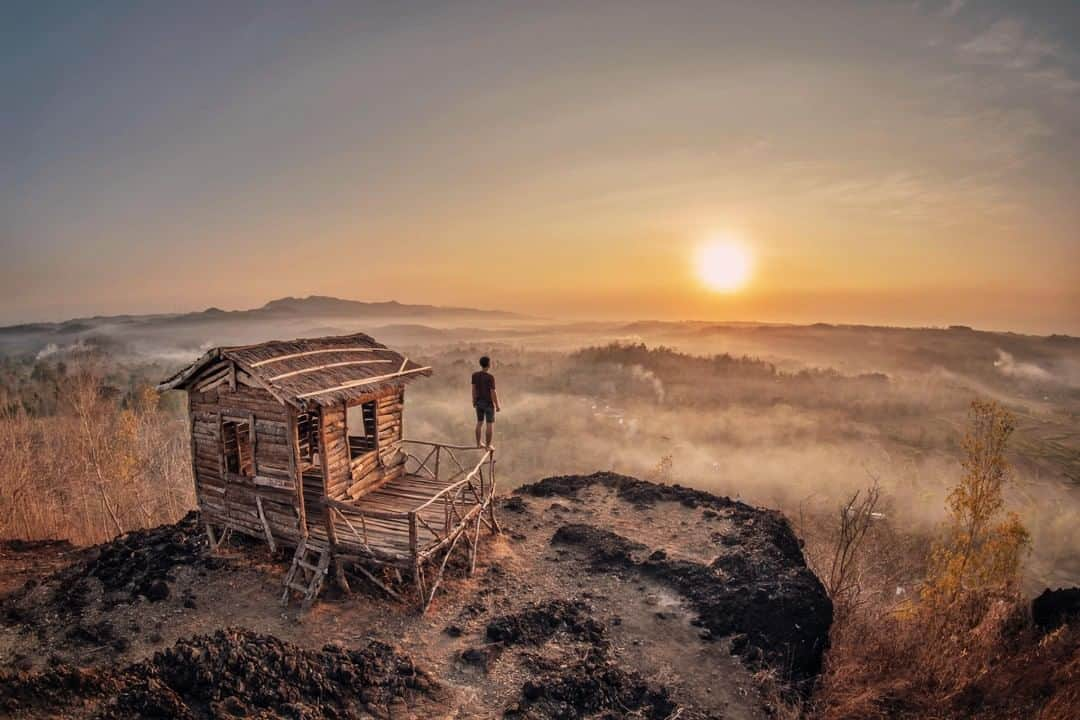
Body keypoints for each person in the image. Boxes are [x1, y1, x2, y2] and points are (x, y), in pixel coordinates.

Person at [471, 355, 500, 448]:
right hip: (488, 404)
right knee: (489, 424)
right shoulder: (490, 377)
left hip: (479, 403)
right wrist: (497, 405)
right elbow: (493, 392)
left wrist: (474, 401)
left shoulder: (475, 375)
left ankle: (478, 443)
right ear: (488, 365)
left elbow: (473, 389)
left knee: (479, 423)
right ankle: (488, 445)